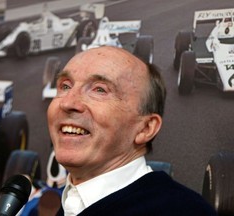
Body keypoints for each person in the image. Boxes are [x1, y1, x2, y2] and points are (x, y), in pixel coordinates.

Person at [47, 46, 217, 215]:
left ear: (145, 128)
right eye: (65, 86)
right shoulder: (72, 203)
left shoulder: (184, 211)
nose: (67, 103)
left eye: (99, 89)